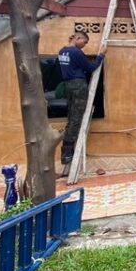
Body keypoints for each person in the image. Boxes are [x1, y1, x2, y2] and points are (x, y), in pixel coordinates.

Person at [58, 32, 106, 170]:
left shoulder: (62, 51)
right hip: (78, 85)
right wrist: (101, 55)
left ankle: (67, 150)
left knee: (72, 115)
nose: (84, 46)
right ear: (77, 38)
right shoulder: (76, 52)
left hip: (68, 86)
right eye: (84, 42)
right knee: (77, 118)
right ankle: (67, 152)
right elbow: (90, 68)